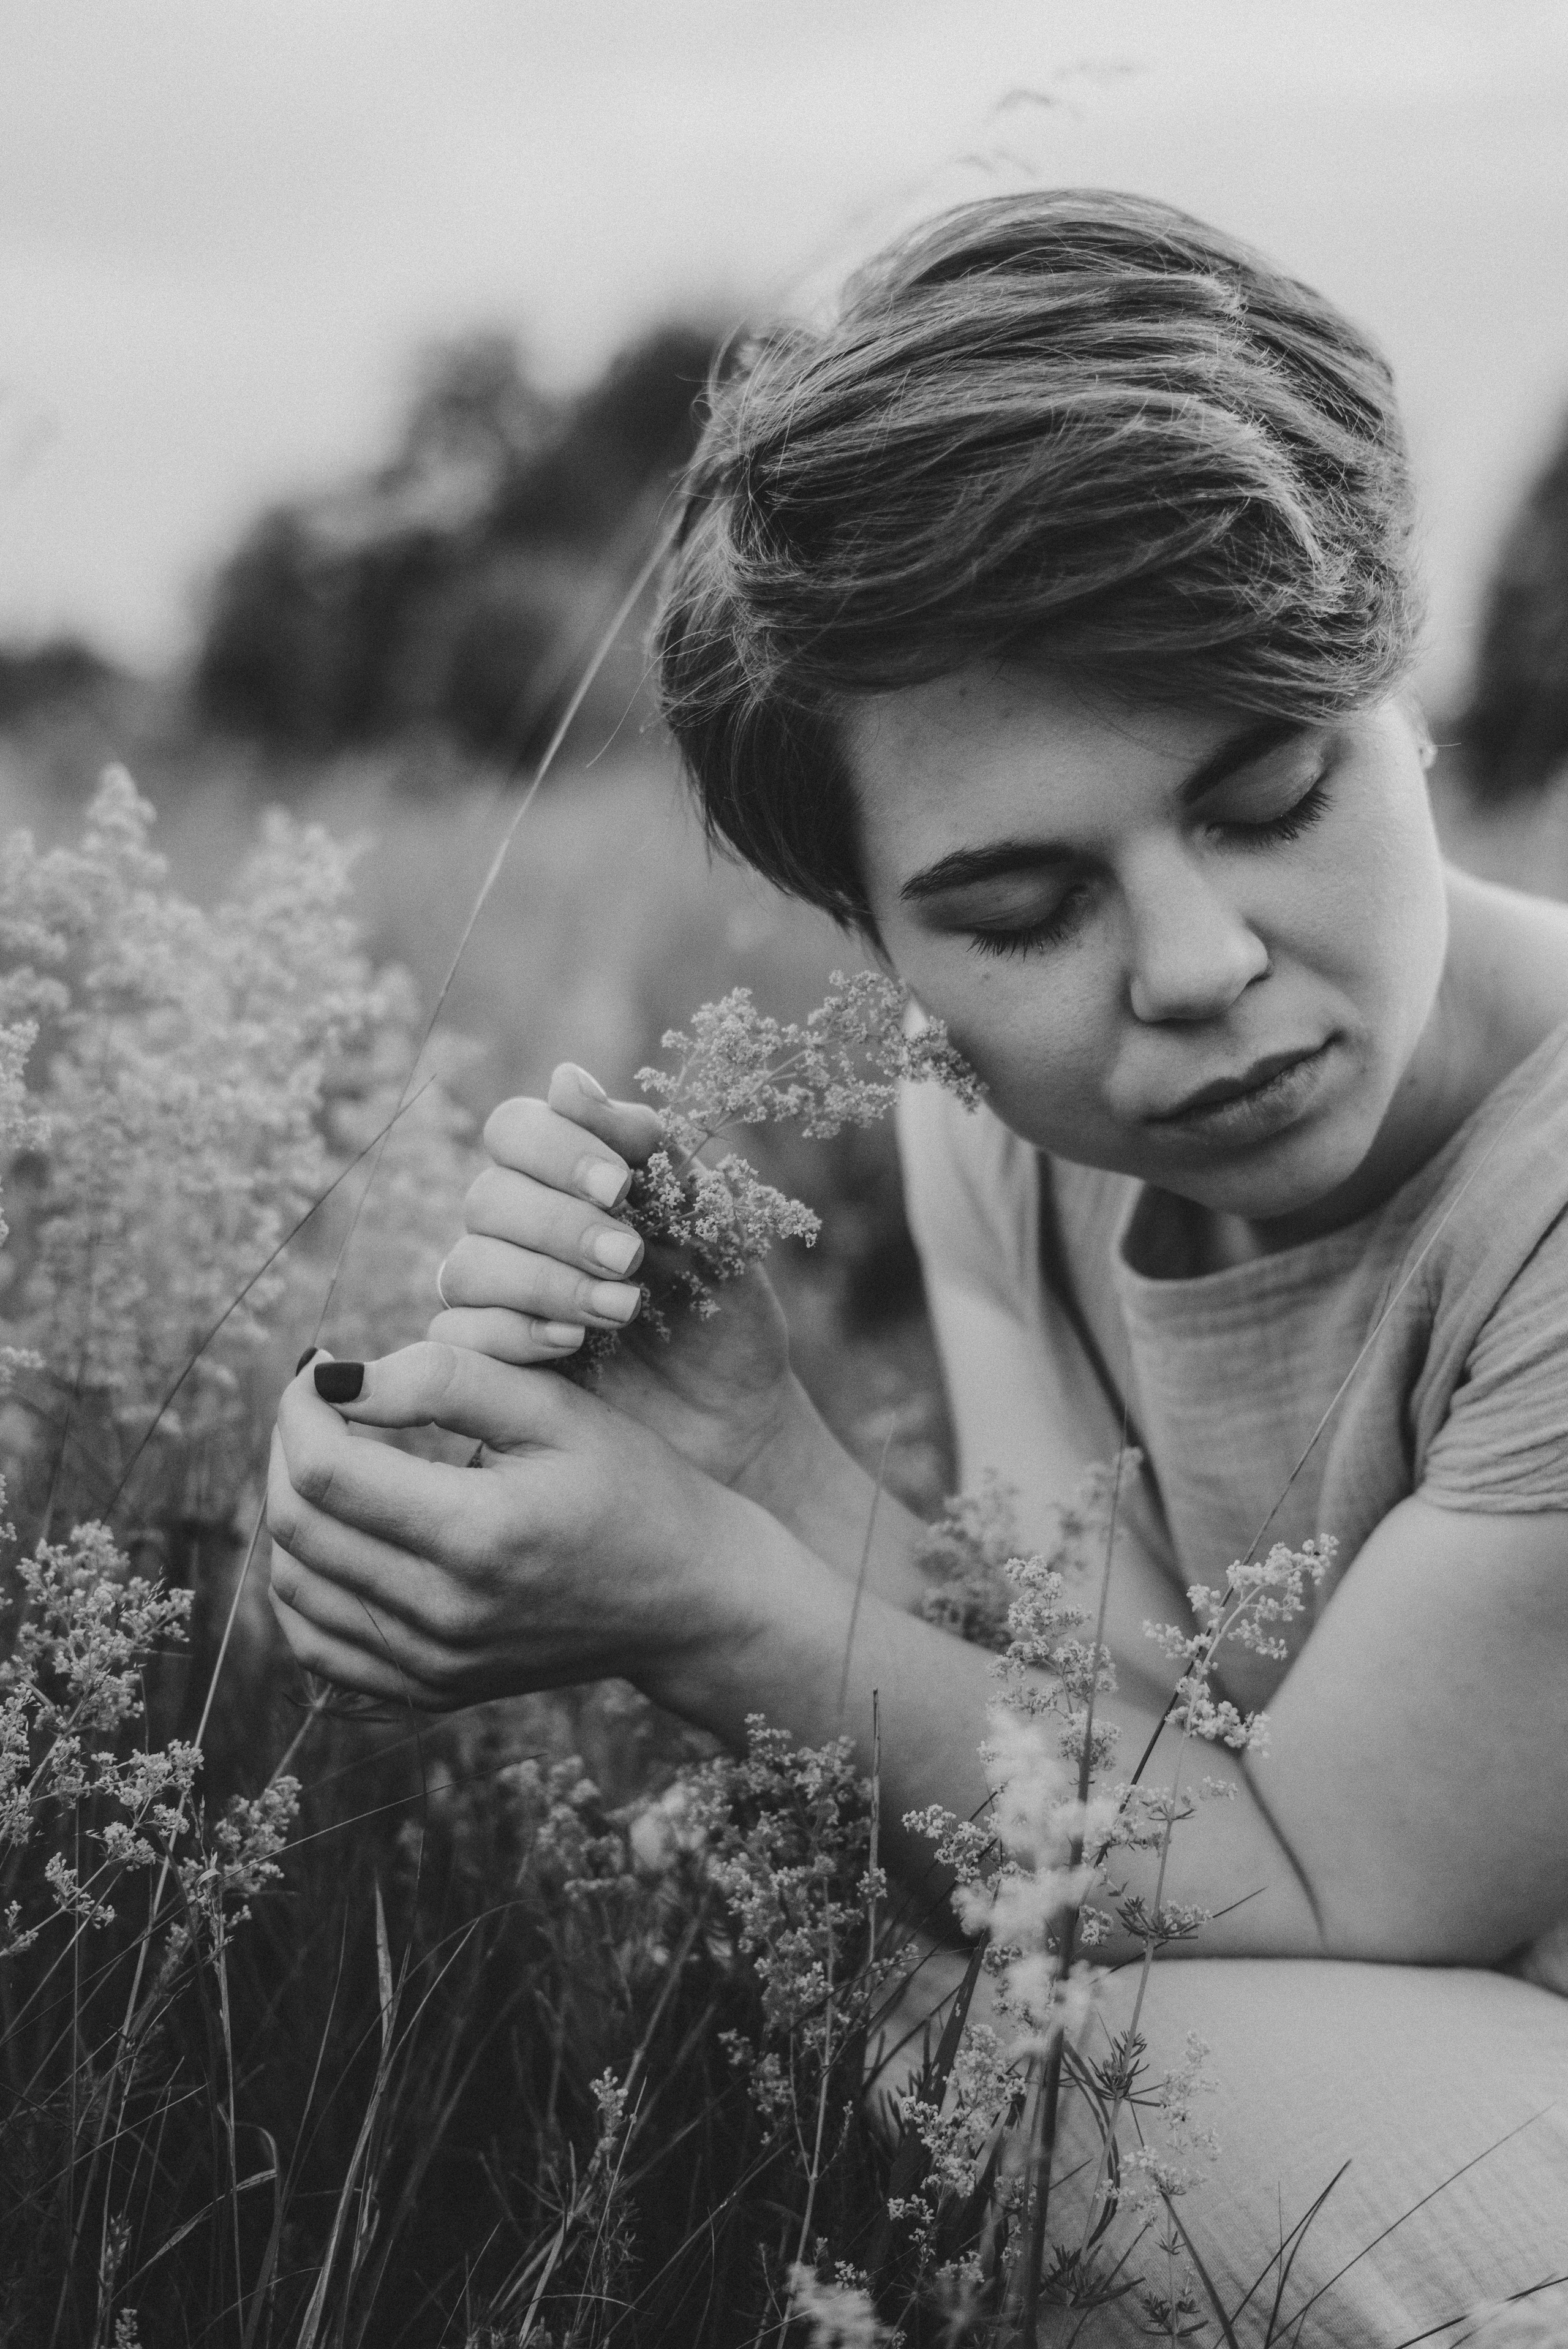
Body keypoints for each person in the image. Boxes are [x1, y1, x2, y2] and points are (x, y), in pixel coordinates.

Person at [266, 193, 1568, 2341]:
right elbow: (1137, 1763)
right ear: (876, 945)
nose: (1197, 966)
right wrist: (751, 1456)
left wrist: (699, 1595)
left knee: (997, 2063)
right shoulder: (990, 1132)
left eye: (1268, 791)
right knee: (971, 2037)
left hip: (1436, 1996)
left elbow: (1328, 1883)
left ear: (1406, 690)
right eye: (1024, 908)